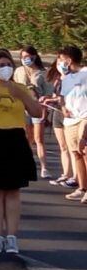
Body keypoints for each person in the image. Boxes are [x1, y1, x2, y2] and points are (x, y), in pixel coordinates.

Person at [0, 49, 46, 254]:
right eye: (2, 65)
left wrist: (22, 95)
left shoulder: (20, 88)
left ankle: (12, 238)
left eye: (9, 65)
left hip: (14, 139)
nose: (6, 69)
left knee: (13, 190)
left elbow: (37, 112)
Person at [46, 45, 86, 203]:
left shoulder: (85, 73)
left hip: (84, 118)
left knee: (84, 151)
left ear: (69, 60)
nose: (59, 63)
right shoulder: (66, 78)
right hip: (70, 120)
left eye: (61, 60)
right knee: (76, 153)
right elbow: (62, 98)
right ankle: (82, 188)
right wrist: (63, 109)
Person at [14, 46, 53, 178]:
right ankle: (26, 163)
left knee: (39, 138)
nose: (25, 59)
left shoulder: (43, 73)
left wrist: (45, 108)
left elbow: (48, 92)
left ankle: (44, 167)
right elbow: (15, 87)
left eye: (27, 56)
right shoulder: (19, 71)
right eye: (23, 57)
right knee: (26, 137)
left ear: (34, 56)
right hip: (22, 108)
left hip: (38, 108)